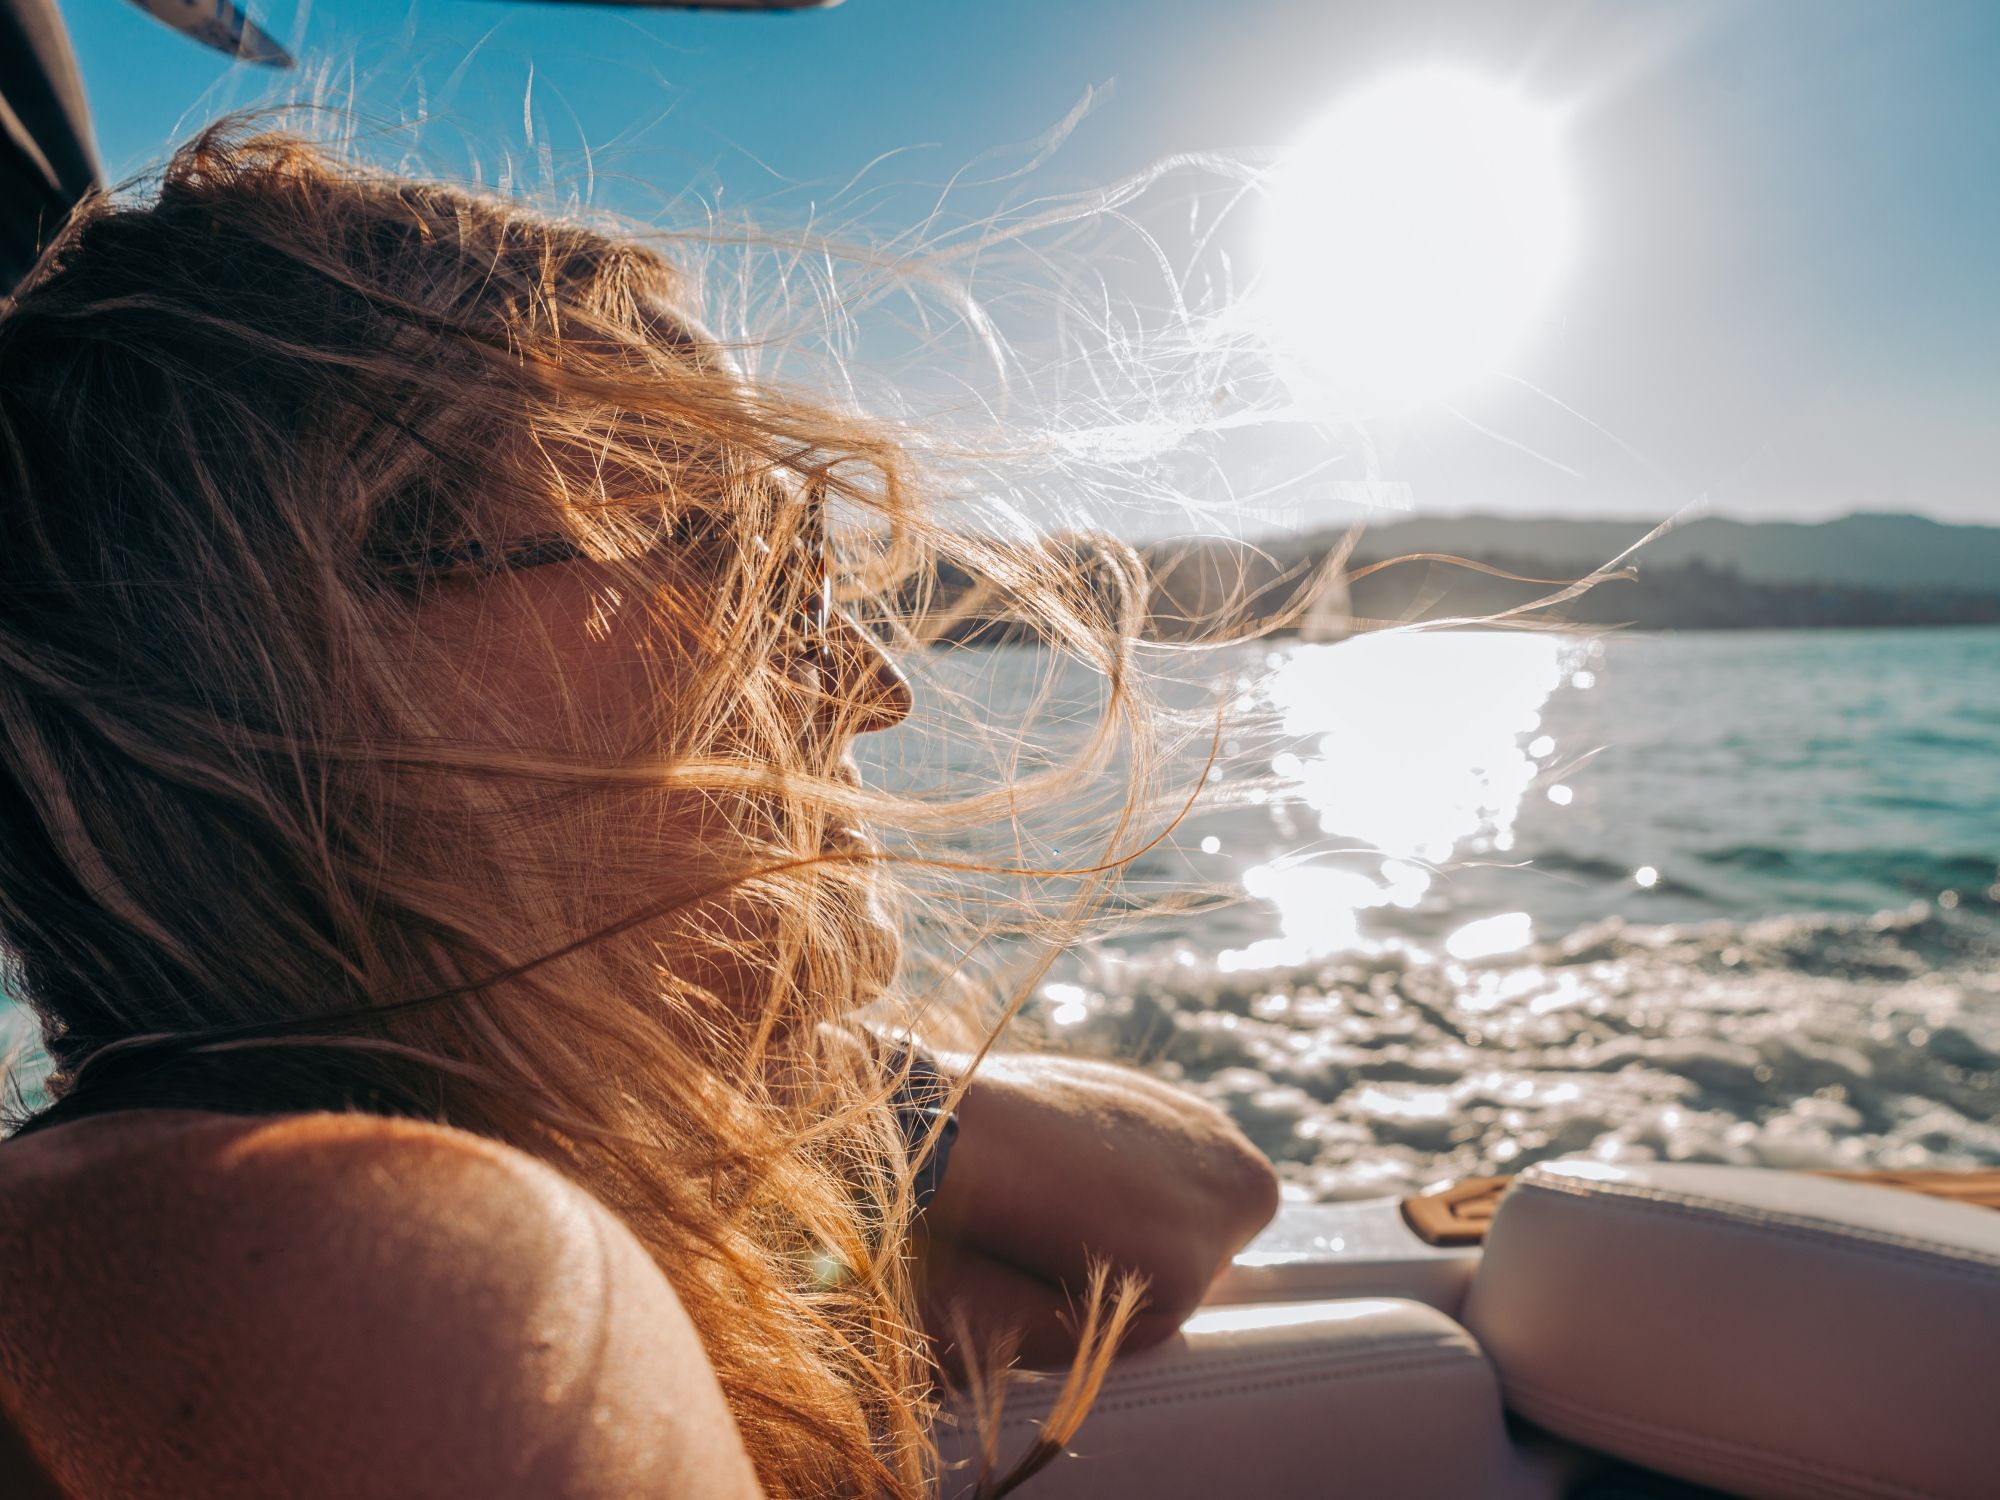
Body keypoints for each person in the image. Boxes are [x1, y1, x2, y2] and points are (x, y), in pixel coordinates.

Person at [0, 123, 1279, 1499]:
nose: (872, 686)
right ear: (285, 653)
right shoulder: (338, 1266)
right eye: (740, 560)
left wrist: (750, 1068)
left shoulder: (588, 1190)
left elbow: (1190, 1212)